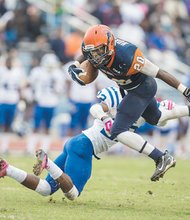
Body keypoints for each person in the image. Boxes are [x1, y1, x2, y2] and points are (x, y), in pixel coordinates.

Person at [1, 86, 190, 201]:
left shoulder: (150, 107)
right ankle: (48, 163)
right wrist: (105, 118)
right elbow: (96, 107)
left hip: (77, 142)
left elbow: (170, 114)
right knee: (73, 194)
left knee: (46, 189)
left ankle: (7, 169)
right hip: (84, 147)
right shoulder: (120, 94)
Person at [68, 24, 190, 180]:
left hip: (142, 87)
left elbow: (160, 73)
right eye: (93, 52)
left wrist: (185, 90)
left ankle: (160, 157)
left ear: (110, 45)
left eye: (100, 51)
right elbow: (86, 54)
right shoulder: (94, 50)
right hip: (130, 89)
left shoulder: (129, 55)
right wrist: (75, 65)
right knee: (156, 118)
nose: (96, 56)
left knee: (118, 131)